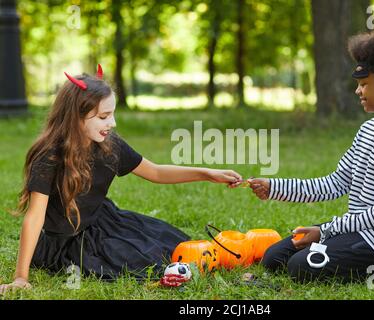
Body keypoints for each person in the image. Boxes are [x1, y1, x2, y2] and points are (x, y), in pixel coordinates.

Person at [0, 65, 242, 294]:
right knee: (136, 262)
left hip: (104, 220)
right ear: (76, 116)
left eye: (112, 114)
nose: (112, 123)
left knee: (169, 244)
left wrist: (207, 174)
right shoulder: (49, 157)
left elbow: (155, 172)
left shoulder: (109, 146)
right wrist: (21, 277)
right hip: (68, 240)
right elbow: (34, 217)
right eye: (104, 116)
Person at [248, 30, 374, 283]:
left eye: (364, 84)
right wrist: (274, 187)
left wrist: (324, 231)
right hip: (358, 229)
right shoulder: (368, 130)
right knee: (274, 258)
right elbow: (335, 183)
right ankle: (347, 251)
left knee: (299, 268)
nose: (358, 90)